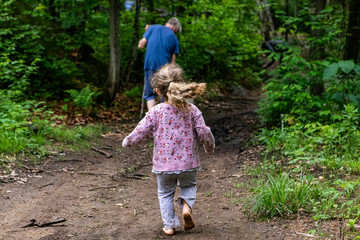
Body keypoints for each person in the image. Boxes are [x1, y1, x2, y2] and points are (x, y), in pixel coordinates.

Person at [122, 63, 215, 236]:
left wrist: (128, 141)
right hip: (188, 162)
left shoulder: (155, 112)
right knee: (189, 186)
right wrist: (209, 148)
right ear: (181, 86)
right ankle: (186, 208)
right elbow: (204, 131)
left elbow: (140, 131)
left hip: (163, 165)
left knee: (165, 193)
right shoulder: (192, 109)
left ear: (157, 91)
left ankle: (170, 226)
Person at [138, 17, 181, 110]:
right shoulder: (174, 38)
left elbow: (141, 45)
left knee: (149, 94)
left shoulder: (152, 28)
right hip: (164, 68)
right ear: (176, 28)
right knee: (164, 94)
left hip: (150, 64)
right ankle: (164, 119)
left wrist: (146, 32)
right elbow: (173, 63)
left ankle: (153, 120)